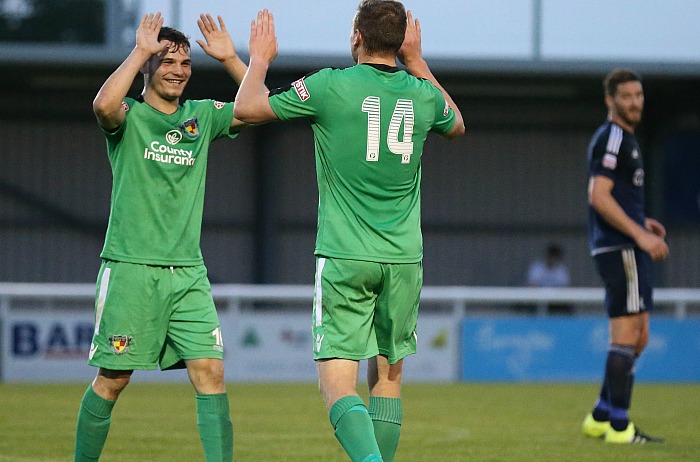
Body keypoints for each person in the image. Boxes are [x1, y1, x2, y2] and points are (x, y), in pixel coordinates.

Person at [234, 2, 464, 461]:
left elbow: (246, 106)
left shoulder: (330, 85)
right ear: (400, 41)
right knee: (389, 379)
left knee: (337, 385)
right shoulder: (421, 95)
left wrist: (258, 58)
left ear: (356, 36)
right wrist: (417, 61)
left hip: (345, 255)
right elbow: (456, 124)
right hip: (403, 259)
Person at [74, 12, 250, 461]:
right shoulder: (129, 116)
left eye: (186, 63)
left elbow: (260, 106)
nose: (178, 69)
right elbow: (102, 106)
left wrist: (230, 58)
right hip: (131, 268)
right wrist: (139, 51)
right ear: (150, 68)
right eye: (168, 60)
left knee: (211, 371)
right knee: (113, 380)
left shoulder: (202, 117)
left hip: (188, 272)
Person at [581, 68, 669, 444]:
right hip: (622, 249)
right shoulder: (614, 137)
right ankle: (620, 427)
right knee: (628, 334)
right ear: (610, 100)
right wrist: (638, 235)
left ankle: (601, 416)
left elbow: (614, 196)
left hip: (624, 243)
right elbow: (598, 195)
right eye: (627, 96)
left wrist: (641, 221)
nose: (635, 102)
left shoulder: (623, 139)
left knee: (639, 336)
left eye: (639, 95)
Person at [525, 243, 572, 314]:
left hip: (555, 301)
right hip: (537, 299)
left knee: (568, 307)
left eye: (555, 257)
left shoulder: (561, 270)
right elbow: (532, 285)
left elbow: (563, 289)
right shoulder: (537, 267)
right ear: (547, 255)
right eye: (551, 256)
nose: (552, 259)